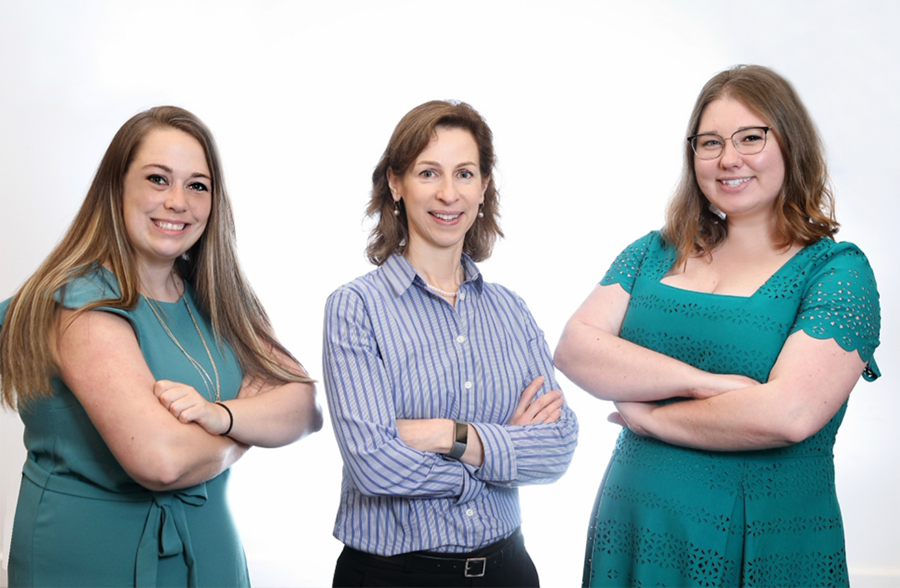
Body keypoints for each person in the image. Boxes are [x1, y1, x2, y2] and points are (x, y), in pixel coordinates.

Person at [554, 64, 881, 587]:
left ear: (790, 144)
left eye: (751, 137)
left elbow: (788, 414)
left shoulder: (837, 271)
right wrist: (701, 384)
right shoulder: (653, 252)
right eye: (710, 142)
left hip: (765, 546)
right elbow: (576, 348)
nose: (729, 158)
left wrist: (650, 419)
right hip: (635, 529)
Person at [0, 106, 323, 588]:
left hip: (211, 562)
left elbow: (304, 406)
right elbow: (161, 462)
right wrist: (248, 430)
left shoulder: (215, 295)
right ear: (117, 187)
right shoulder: (78, 304)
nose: (178, 202)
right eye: (157, 179)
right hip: (90, 567)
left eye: (197, 185)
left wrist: (221, 416)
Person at [323, 100, 578, 588]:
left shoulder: (511, 309)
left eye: (464, 174)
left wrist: (445, 434)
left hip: (509, 572)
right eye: (428, 173)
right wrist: (496, 458)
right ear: (396, 184)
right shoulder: (355, 308)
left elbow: (559, 446)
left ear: (483, 187)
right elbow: (372, 464)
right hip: (394, 577)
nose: (447, 193)